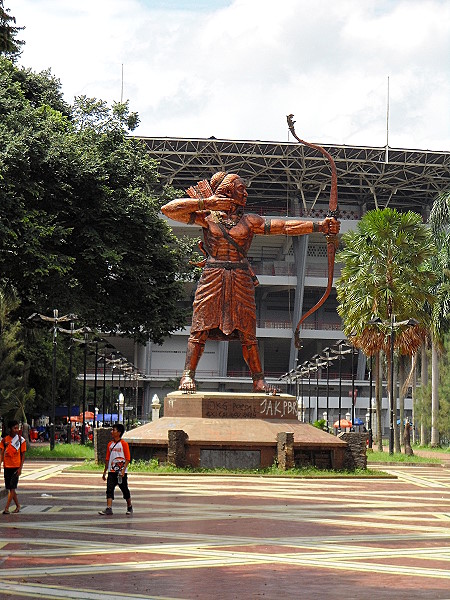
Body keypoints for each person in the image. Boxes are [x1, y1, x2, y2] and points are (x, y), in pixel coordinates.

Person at [161, 171, 340, 393]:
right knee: (200, 327)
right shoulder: (206, 217)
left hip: (240, 278)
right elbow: (168, 210)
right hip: (213, 275)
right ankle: (188, 375)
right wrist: (207, 202)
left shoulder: (249, 221)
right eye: (240, 189)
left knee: (248, 331)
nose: (245, 193)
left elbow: (283, 227)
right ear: (227, 192)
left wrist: (319, 226)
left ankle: (258, 380)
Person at [98, 424, 133, 516]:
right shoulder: (110, 444)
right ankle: (109, 508)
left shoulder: (124, 444)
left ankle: (129, 506)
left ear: (119, 432)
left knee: (124, 489)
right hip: (112, 471)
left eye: (114, 430)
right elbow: (107, 458)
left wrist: (123, 470)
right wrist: (105, 471)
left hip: (121, 472)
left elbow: (128, 458)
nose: (112, 432)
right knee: (109, 489)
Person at [0, 420, 27, 514]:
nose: (16, 430)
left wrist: (20, 468)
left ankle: (6, 508)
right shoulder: (4, 440)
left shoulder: (21, 440)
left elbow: (23, 455)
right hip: (7, 466)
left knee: (12, 487)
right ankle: (18, 506)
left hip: (16, 466)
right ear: (10, 429)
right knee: (10, 488)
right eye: (14, 428)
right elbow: (1, 453)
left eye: (17, 428)